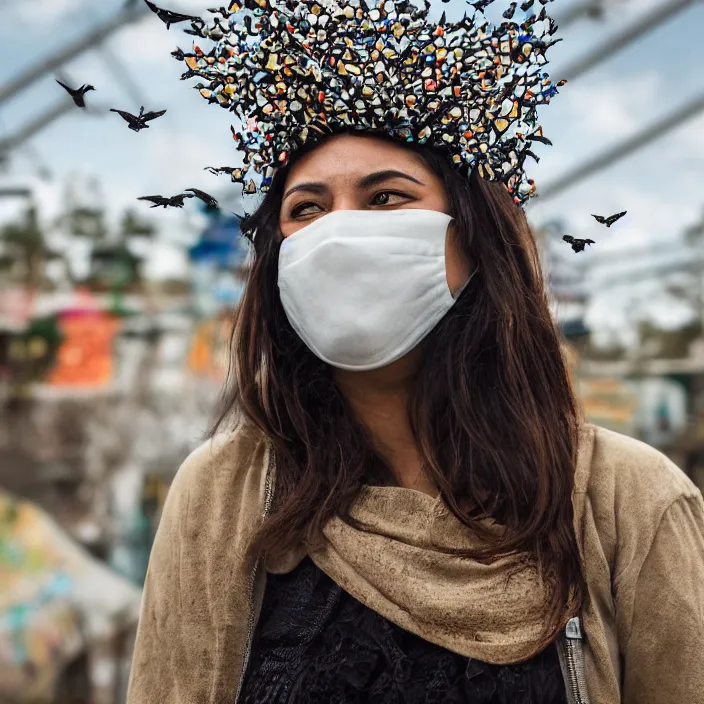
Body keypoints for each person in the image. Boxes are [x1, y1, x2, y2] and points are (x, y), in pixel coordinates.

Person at [126, 2, 704, 703]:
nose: (339, 233)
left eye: (386, 197)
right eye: (306, 209)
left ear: (473, 241)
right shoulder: (223, 494)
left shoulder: (627, 501)